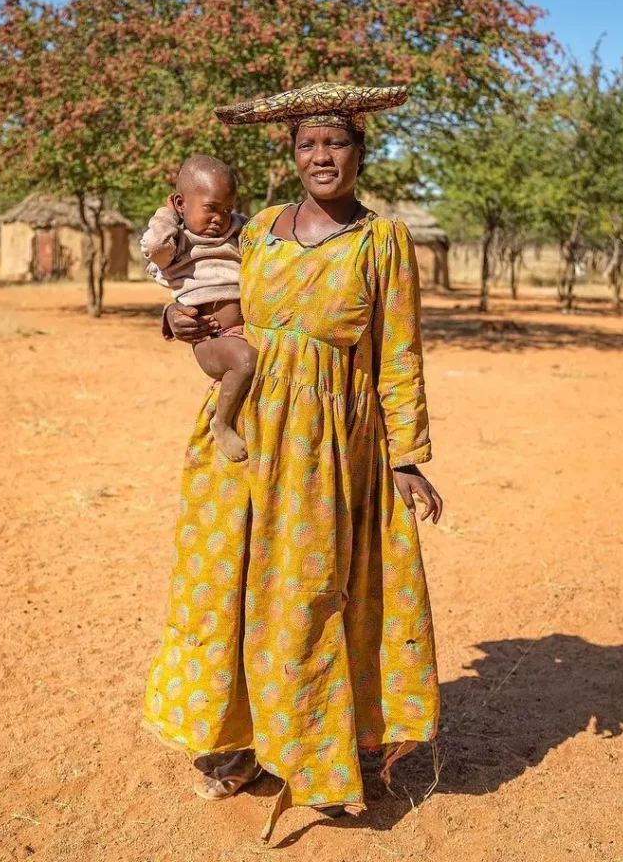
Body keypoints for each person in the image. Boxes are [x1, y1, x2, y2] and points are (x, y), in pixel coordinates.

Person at [142, 83, 445, 843]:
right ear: (293, 154)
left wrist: (406, 455)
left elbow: (400, 350)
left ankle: (315, 749)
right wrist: (170, 319)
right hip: (243, 436)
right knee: (229, 587)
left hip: (330, 448)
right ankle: (236, 745)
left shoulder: (382, 241)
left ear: (358, 153)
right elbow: (206, 300)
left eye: (335, 143)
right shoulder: (261, 229)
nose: (321, 157)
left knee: (306, 595)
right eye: (308, 144)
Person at [139, 155, 257, 462]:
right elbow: (153, 247)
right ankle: (222, 422)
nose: (219, 217)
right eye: (210, 208)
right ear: (181, 203)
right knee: (245, 362)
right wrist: (167, 215)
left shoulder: (237, 233)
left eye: (227, 209)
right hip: (211, 337)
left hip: (245, 328)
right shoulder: (177, 243)